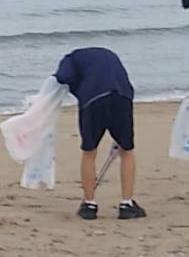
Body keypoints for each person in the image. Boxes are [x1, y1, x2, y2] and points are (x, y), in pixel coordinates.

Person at [53, 47, 144, 219]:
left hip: (92, 101)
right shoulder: (109, 54)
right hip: (121, 97)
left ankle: (89, 204)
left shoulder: (71, 58)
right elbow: (124, 80)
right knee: (126, 150)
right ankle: (127, 204)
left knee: (89, 151)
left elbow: (63, 77)